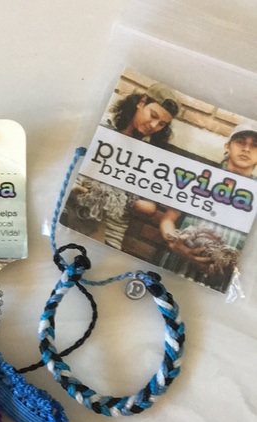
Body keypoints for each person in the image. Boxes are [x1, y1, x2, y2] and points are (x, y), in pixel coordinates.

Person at [63, 83, 180, 249]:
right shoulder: (101, 127)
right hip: (71, 215)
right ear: (141, 102)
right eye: (153, 115)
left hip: (110, 236)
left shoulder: (150, 154)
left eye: (162, 124)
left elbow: (150, 206)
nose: (154, 126)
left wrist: (129, 201)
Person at [156, 123, 257, 291]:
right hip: (177, 267)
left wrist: (236, 265)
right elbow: (168, 220)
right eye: (240, 142)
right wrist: (176, 246)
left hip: (220, 282)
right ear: (228, 146)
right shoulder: (202, 177)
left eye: (255, 145)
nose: (246, 149)